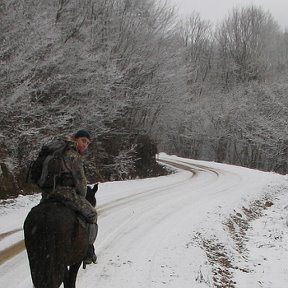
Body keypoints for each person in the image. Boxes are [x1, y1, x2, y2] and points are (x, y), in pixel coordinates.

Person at [39, 129, 98, 265]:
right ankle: (88, 252)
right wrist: (82, 197)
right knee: (92, 215)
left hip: (47, 195)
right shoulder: (73, 155)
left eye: (88, 143)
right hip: (67, 195)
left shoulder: (55, 150)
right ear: (75, 139)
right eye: (83, 140)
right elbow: (81, 183)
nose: (85, 145)